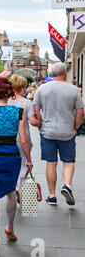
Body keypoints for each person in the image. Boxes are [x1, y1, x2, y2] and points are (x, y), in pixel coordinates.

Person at [0, 78, 33, 254]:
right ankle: (9, 227)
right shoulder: (18, 112)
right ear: (9, 94)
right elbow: (24, 140)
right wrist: (29, 160)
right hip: (11, 156)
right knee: (10, 193)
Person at [33, 62, 85, 206]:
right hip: (67, 132)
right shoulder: (74, 90)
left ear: (51, 74)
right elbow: (80, 112)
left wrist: (40, 122)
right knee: (68, 161)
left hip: (48, 132)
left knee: (51, 163)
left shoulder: (41, 89)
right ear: (64, 74)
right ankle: (67, 185)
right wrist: (76, 127)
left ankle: (51, 196)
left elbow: (36, 108)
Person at [8, 76, 42, 196]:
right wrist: (41, 122)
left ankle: (13, 189)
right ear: (22, 88)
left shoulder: (5, 100)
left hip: (7, 138)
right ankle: (19, 187)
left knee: (11, 164)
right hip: (22, 138)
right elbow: (33, 121)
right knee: (24, 164)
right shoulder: (26, 102)